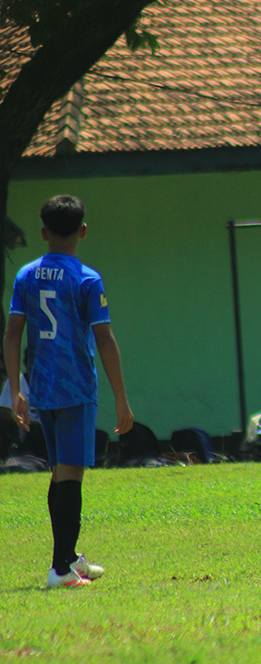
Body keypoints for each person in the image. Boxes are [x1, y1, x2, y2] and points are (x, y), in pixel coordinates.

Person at [3, 194, 134, 589]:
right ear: (83, 231)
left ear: (43, 232)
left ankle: (67, 556)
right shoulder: (86, 279)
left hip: (41, 386)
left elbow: (12, 333)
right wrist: (122, 399)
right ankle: (60, 569)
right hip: (76, 387)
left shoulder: (26, 275)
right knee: (71, 478)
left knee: (59, 474)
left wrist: (16, 390)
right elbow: (105, 340)